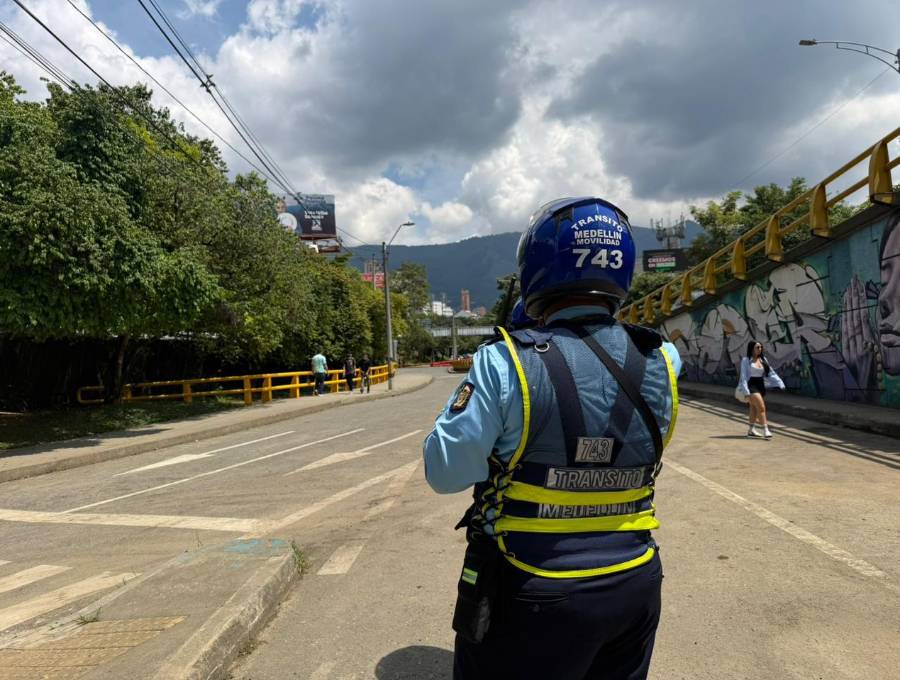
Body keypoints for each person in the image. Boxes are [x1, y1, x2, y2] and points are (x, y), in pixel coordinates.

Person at [423, 196, 681, 680]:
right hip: (635, 579)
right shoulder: (662, 358)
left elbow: (444, 472)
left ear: (537, 266)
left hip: (532, 584)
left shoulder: (505, 360)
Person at [737, 341, 785, 439]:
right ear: (752, 348)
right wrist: (746, 391)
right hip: (751, 385)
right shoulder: (746, 360)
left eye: (761, 347)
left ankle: (751, 430)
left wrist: (780, 383)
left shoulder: (763, 359)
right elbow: (743, 376)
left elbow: (771, 372)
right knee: (761, 407)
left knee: (754, 408)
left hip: (760, 385)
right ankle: (765, 429)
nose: (760, 349)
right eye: (757, 347)